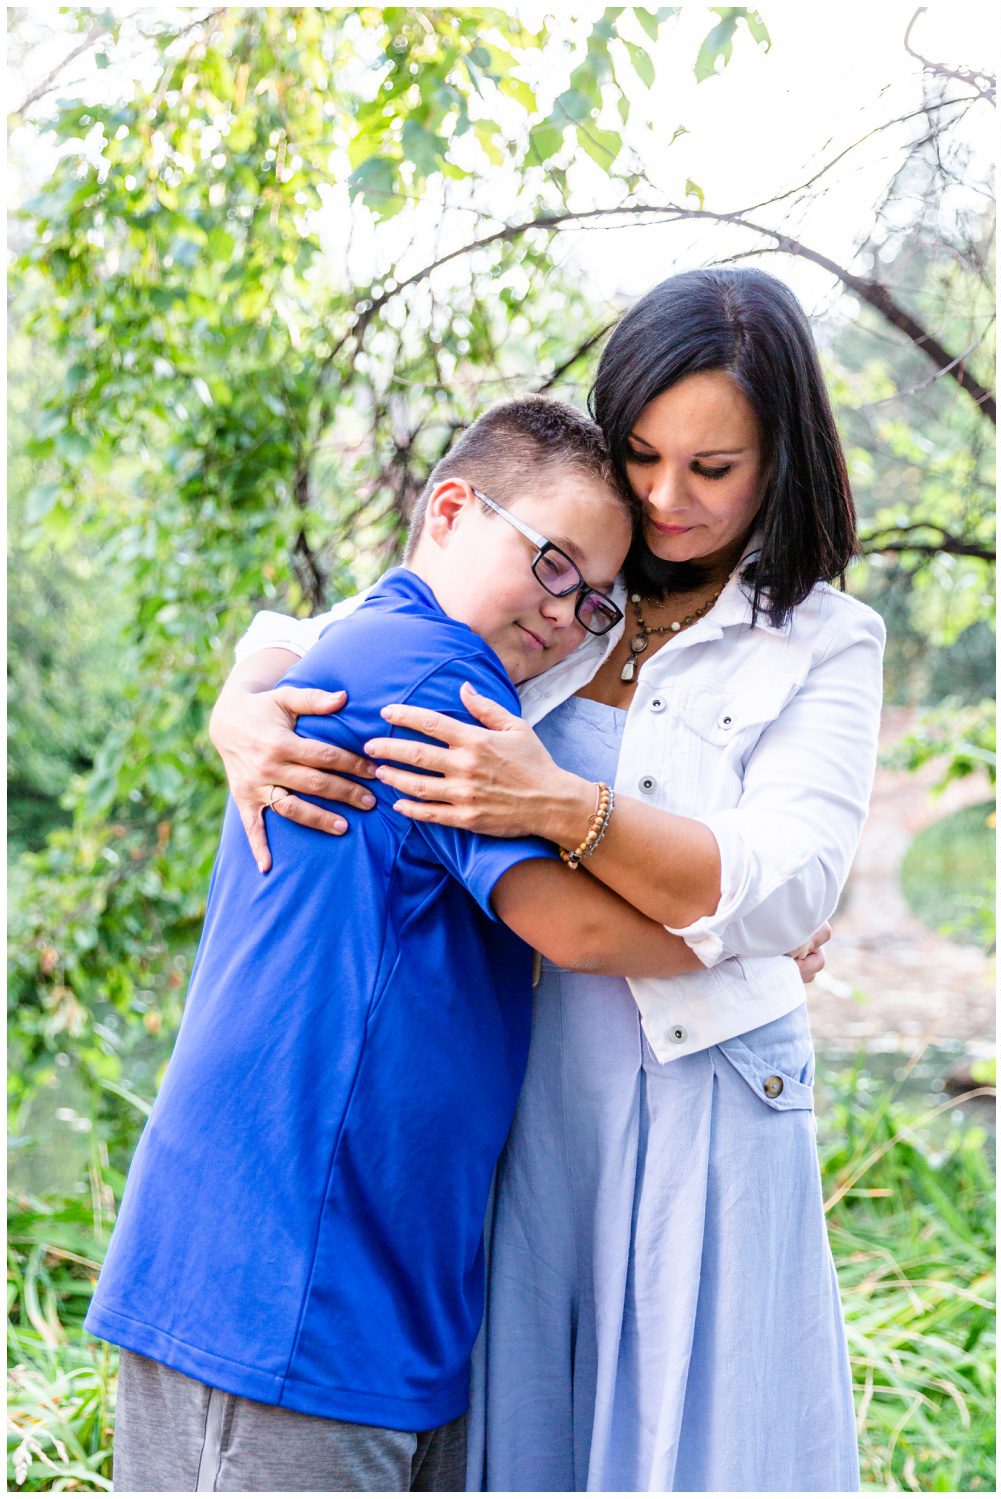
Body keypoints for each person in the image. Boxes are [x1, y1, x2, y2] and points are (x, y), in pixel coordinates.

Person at [209, 267, 885, 1491]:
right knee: (532, 1445)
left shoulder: (821, 640)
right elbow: (328, 635)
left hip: (710, 1083)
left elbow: (787, 885)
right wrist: (237, 709)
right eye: (641, 455)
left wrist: (563, 806)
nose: (668, 500)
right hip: (524, 1094)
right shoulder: (561, 589)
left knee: (697, 1451)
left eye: (713, 468)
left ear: (781, 459)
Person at [87, 395, 731, 1490]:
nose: (566, 612)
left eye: (594, 598)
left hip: (373, 1286)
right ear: (448, 510)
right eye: (552, 563)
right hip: (285, 1277)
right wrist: (739, 949)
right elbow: (564, 924)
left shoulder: (390, 651)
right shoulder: (432, 679)